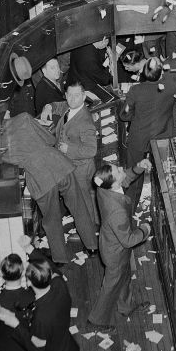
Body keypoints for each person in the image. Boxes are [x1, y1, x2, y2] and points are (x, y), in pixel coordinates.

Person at [86, 162, 153, 332]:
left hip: (113, 245)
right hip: (115, 253)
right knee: (110, 286)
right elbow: (129, 240)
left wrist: (138, 167)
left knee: (124, 278)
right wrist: (145, 229)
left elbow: (125, 178)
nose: (122, 169)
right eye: (118, 170)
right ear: (114, 183)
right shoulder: (116, 211)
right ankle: (96, 320)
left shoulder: (104, 188)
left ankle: (125, 306)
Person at [119, 57, 176, 211]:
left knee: (134, 174)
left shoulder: (135, 91)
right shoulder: (171, 86)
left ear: (144, 73)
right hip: (162, 136)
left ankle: (130, 208)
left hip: (138, 137)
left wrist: (138, 116)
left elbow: (124, 115)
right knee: (162, 174)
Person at [51, 81, 99, 250]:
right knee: (86, 200)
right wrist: (48, 108)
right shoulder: (70, 106)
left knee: (82, 205)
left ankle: (89, 237)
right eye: (69, 95)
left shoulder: (85, 121)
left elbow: (91, 149)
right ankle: (91, 224)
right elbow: (59, 106)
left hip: (80, 169)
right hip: (72, 166)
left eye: (76, 95)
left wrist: (68, 148)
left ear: (84, 97)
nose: (72, 99)